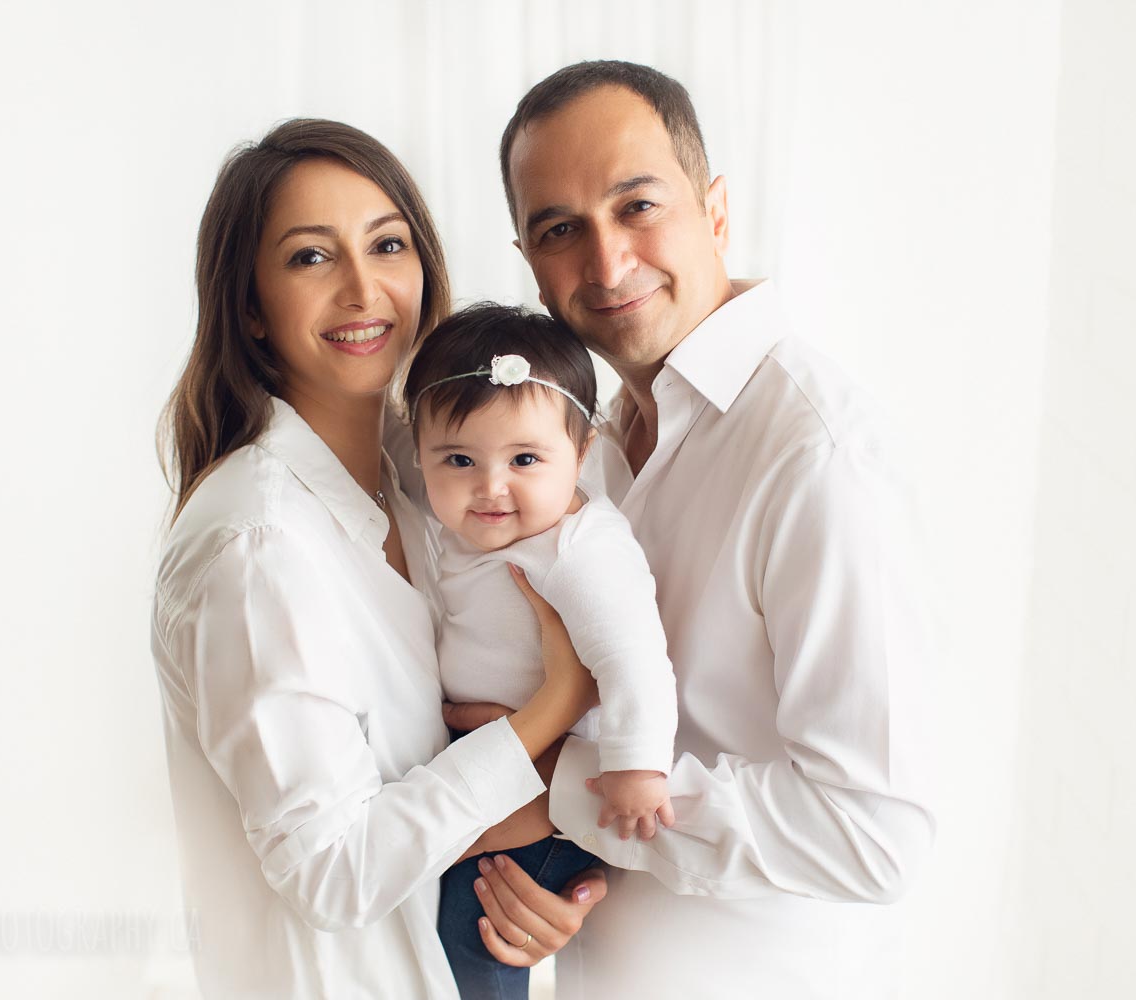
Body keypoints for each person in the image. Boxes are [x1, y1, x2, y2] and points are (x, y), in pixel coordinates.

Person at [449, 60, 937, 997]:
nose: (606, 262)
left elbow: (877, 837)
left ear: (714, 211)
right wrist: (561, 867)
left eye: (637, 206)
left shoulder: (816, 456)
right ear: (529, 260)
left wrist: (556, 785)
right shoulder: (576, 442)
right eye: (561, 230)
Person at [151, 118, 605, 999]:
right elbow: (333, 872)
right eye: (311, 258)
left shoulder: (421, 483)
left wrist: (546, 878)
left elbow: (434, 774)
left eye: (387, 245)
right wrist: (554, 707)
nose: (364, 289)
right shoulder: (259, 544)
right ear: (249, 306)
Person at [402, 303, 678, 999]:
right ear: (420, 456)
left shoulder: (578, 548)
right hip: (492, 773)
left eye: (525, 459)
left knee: (479, 945)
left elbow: (634, 657)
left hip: (537, 808)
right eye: (458, 460)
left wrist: (636, 766)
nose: (491, 486)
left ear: (580, 455)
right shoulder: (468, 533)